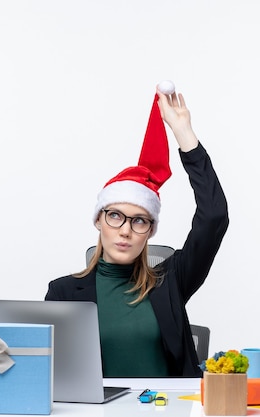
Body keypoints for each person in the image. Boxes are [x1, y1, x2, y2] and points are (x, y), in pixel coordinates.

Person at [45, 83, 229, 377]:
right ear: (98, 220)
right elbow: (53, 377)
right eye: (115, 216)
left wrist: (184, 134)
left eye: (139, 220)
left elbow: (214, 217)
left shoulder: (170, 282)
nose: (126, 230)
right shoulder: (63, 293)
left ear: (150, 231)